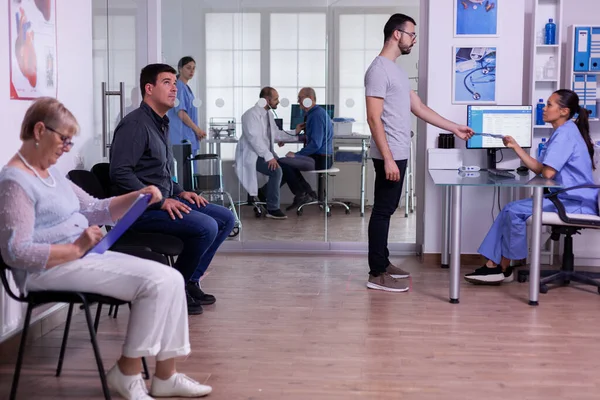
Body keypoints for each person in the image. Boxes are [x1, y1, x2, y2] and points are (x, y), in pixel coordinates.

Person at [0, 97, 212, 399]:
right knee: (156, 282)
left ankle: (166, 375)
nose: (66, 148)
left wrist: (138, 195)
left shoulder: (51, 174)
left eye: (70, 143)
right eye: (64, 139)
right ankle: (126, 373)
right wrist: (75, 249)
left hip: (80, 256)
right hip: (46, 269)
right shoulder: (15, 181)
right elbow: (16, 252)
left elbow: (96, 209)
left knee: (172, 279)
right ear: (38, 131)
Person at [110, 63, 235, 315]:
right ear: (149, 88)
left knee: (226, 218)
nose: (174, 88)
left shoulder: (160, 123)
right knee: (206, 226)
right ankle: (172, 289)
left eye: (174, 83)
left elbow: (159, 172)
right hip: (139, 211)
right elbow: (120, 173)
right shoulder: (135, 125)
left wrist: (178, 192)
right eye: (166, 82)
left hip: (163, 201)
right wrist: (159, 200)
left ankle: (189, 281)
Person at [365, 13, 474, 293]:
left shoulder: (397, 70)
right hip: (389, 154)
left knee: (387, 210)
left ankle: (384, 262)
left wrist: (456, 128)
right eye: (411, 34)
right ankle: (376, 273)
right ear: (396, 34)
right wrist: (388, 157)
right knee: (382, 211)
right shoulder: (378, 70)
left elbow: (420, 107)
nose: (414, 39)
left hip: (399, 151)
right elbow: (374, 118)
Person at [464, 89, 599, 284]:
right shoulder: (565, 131)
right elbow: (542, 169)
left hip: (574, 201)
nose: (544, 109)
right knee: (511, 209)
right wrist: (516, 147)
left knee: (512, 210)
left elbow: (547, 173)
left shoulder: (565, 134)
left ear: (564, 111)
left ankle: (501, 266)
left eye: (549, 105)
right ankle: (499, 266)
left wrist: (519, 151)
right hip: (569, 198)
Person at [235, 87, 290, 219]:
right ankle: (273, 208)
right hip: (252, 156)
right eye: (276, 99)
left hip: (264, 154)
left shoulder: (268, 115)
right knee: (276, 171)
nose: (278, 101)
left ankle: (263, 193)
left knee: (288, 168)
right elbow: (255, 140)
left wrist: (295, 133)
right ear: (266, 100)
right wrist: (269, 157)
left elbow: (276, 133)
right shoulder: (250, 115)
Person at [282, 87, 334, 210]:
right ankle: (307, 193)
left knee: (283, 162)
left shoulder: (316, 115)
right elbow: (312, 138)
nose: (298, 102)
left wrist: (297, 154)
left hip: (320, 159)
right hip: (322, 157)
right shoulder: (315, 113)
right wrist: (291, 137)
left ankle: (302, 194)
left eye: (300, 99)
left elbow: (315, 144)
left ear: (309, 99)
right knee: (286, 163)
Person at [168, 56, 206, 154]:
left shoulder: (186, 88)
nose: (192, 71)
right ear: (180, 69)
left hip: (187, 137)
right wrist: (197, 130)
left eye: (193, 68)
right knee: (184, 168)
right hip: (181, 138)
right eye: (188, 68)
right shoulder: (179, 87)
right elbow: (181, 113)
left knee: (190, 168)